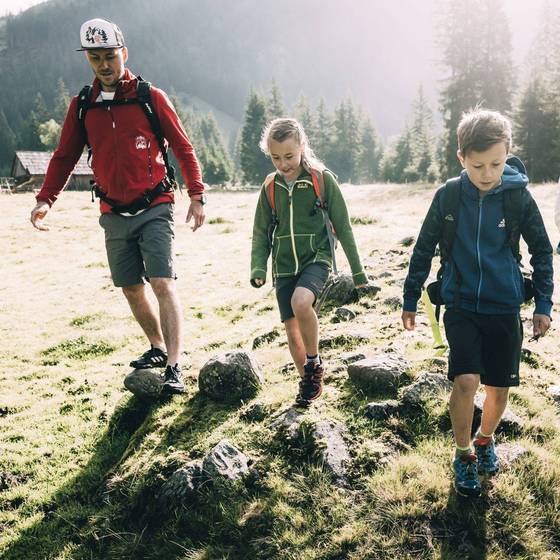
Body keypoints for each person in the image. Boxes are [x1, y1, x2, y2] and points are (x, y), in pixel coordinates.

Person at [30, 18, 207, 395]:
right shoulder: (83, 106)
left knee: (161, 281)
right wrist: (46, 199)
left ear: (123, 53)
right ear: (89, 61)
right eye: (95, 59)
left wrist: (196, 193)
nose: (104, 65)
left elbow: (182, 146)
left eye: (110, 56)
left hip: (155, 204)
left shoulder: (149, 97)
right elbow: (64, 156)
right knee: (130, 287)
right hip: (113, 212)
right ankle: (158, 348)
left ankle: (175, 365)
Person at [401, 109, 553, 497]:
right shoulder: (448, 196)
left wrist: (543, 305)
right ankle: (464, 454)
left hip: (505, 306)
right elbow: (423, 249)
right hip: (462, 304)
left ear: (508, 154)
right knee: (466, 379)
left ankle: (485, 439)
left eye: (496, 164)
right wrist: (409, 297)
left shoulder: (518, 197)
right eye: (477, 165)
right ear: (461, 158)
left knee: (498, 391)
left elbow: (541, 250)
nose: (488, 173)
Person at [250, 118, 368, 407]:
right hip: (283, 264)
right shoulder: (270, 187)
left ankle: (314, 363)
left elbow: (344, 225)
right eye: (276, 157)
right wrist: (258, 267)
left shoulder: (321, 180)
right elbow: (261, 230)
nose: (283, 163)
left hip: (316, 257)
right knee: (291, 329)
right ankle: (308, 383)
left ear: (302, 147)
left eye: (289, 156)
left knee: (301, 303)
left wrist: (358, 271)